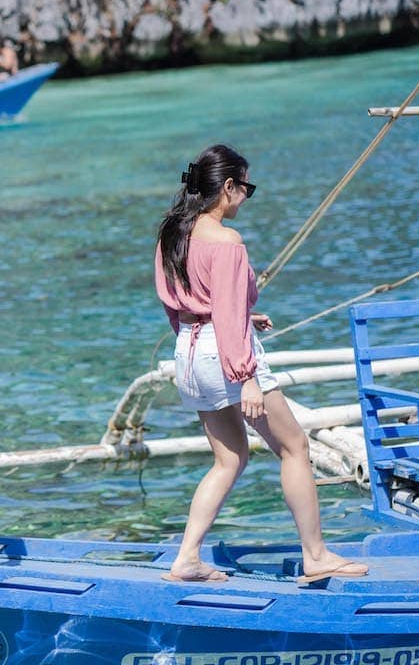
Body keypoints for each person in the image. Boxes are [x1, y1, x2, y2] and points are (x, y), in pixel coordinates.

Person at [154, 144, 368, 584]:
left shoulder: (172, 234)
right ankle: (316, 555)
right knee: (294, 447)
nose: (247, 196)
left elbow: (182, 305)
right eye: (245, 187)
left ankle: (187, 557)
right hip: (227, 355)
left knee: (228, 459)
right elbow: (227, 317)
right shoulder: (227, 241)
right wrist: (246, 378)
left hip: (189, 353)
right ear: (227, 187)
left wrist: (231, 322)